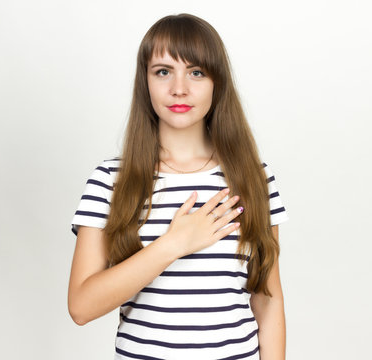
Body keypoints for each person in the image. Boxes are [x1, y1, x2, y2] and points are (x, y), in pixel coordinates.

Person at [68, 13, 289, 360]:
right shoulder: (110, 182)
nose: (179, 88)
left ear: (218, 82)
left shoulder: (254, 179)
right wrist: (174, 244)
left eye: (197, 72)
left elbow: (268, 301)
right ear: (146, 81)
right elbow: (81, 307)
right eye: (163, 71)